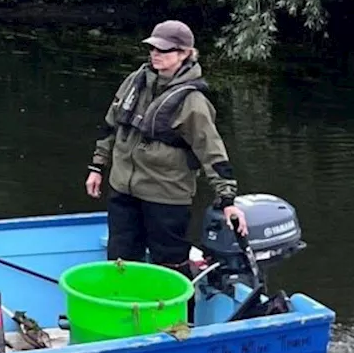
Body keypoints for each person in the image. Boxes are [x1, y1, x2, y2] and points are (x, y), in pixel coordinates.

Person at [86, 20, 249, 275]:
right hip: (123, 190)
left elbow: (212, 152)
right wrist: (97, 166)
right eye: (153, 49)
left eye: (164, 50)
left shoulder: (194, 102)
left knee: (170, 266)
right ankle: (125, 309)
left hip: (166, 197)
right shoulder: (134, 82)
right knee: (120, 260)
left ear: (185, 53)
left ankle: (182, 315)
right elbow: (111, 125)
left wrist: (227, 198)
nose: (155, 54)